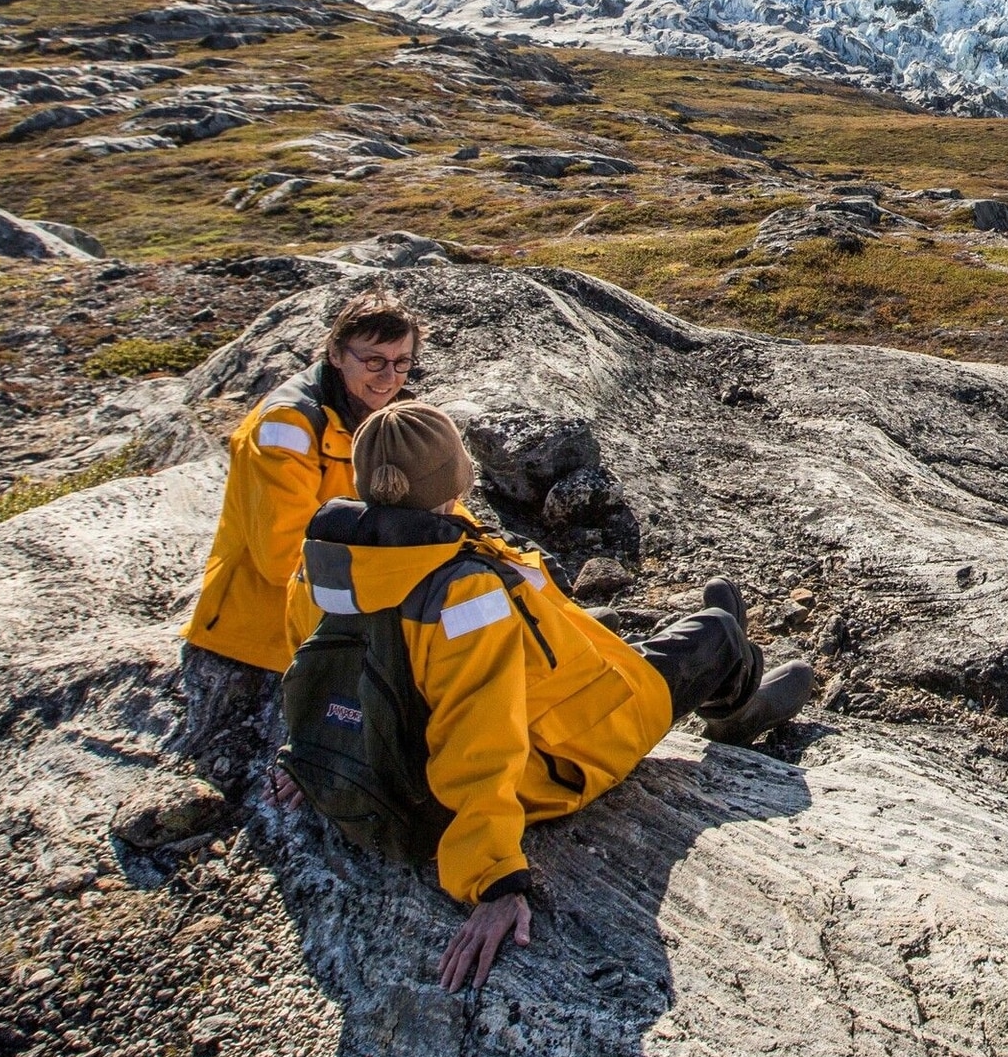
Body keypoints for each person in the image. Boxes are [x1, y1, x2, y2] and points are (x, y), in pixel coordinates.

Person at [275, 401, 815, 989]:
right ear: (455, 480)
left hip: (406, 754)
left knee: (602, 621)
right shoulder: (461, 596)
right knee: (716, 634)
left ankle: (709, 650)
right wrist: (495, 880)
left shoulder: (328, 566)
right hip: (555, 756)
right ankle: (735, 702)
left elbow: (317, 670)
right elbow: (479, 737)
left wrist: (315, 758)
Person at [171, 292, 423, 778]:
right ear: (334, 353)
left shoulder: (380, 410)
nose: (389, 377)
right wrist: (390, 564)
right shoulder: (287, 426)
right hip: (264, 624)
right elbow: (282, 558)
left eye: (402, 363)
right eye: (373, 360)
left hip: (338, 598)